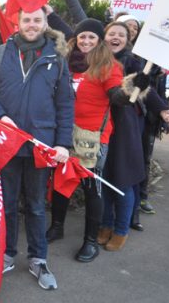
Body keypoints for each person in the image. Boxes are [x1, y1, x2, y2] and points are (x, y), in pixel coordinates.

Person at [0, 3, 73, 291]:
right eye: (27, 19)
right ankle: (6, 254)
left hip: (41, 145)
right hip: (6, 143)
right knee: (5, 203)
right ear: (17, 22)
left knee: (35, 205)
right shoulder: (0, 54)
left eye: (37, 20)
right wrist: (1, 116)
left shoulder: (57, 59)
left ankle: (38, 258)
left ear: (45, 23)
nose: (31, 24)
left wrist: (63, 143)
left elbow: (65, 104)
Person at [47, 19, 144, 262]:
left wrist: (132, 90)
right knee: (60, 181)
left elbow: (117, 95)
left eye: (91, 37)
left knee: (92, 189)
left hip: (92, 137)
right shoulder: (66, 62)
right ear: (76, 39)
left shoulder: (107, 65)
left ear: (99, 40)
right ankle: (57, 226)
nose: (86, 41)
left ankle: (90, 241)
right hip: (63, 134)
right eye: (82, 37)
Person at [97, 22, 169, 250]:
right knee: (104, 178)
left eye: (121, 35)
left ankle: (121, 230)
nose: (116, 37)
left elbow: (147, 91)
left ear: (127, 40)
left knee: (123, 179)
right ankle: (105, 225)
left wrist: (162, 108)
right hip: (100, 125)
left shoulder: (133, 62)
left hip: (124, 126)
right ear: (104, 37)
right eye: (111, 33)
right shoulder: (96, 58)